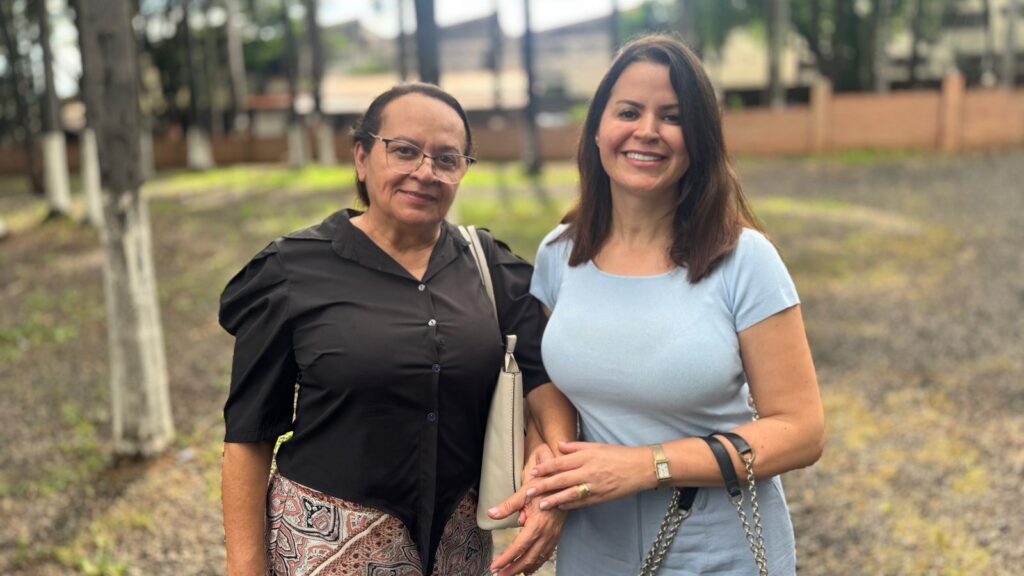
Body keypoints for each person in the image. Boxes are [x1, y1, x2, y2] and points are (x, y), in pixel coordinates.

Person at [489, 35, 825, 575]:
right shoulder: (559, 254)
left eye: (672, 117)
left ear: (698, 140)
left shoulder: (745, 260)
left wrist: (647, 466)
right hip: (594, 548)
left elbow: (801, 431)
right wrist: (546, 461)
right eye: (629, 112)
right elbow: (554, 390)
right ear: (597, 129)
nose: (647, 130)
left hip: (717, 551)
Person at [219, 82, 573, 576]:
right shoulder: (292, 271)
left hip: (458, 550)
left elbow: (543, 375)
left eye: (447, 159)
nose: (425, 172)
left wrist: (551, 473)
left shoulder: (490, 267)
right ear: (362, 158)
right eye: (404, 151)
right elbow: (249, 437)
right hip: (324, 551)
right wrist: (245, 567)